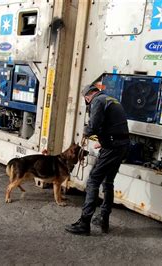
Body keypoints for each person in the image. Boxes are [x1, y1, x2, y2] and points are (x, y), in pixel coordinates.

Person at [65, 82, 129, 235]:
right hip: (121, 146)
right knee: (108, 182)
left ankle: (84, 223)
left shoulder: (97, 102)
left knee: (93, 181)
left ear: (87, 98)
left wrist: (86, 131)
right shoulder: (111, 99)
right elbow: (114, 125)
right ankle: (103, 219)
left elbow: (93, 126)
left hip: (112, 147)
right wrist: (103, 140)